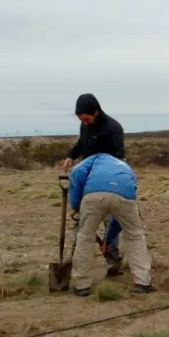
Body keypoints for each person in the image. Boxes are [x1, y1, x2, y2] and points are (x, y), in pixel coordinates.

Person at [68, 154, 153, 296]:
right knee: (135, 236)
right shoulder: (126, 167)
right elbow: (119, 220)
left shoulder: (93, 159)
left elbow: (76, 173)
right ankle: (143, 283)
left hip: (93, 194)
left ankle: (81, 286)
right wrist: (109, 239)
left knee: (85, 237)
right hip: (125, 194)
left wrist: (76, 205)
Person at [61, 94, 126, 275]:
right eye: (82, 120)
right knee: (82, 222)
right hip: (85, 182)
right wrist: (70, 155)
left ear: (96, 112)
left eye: (87, 119)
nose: (85, 123)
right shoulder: (85, 126)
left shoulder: (113, 128)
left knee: (109, 221)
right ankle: (76, 260)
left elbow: (120, 157)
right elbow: (82, 143)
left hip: (108, 183)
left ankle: (112, 260)